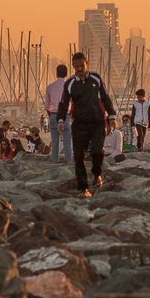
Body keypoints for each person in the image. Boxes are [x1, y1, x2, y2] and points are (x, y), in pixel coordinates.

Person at [56, 52, 116, 197]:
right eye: (76, 67)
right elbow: (64, 103)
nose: (79, 69)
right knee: (78, 157)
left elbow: (106, 98)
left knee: (96, 151)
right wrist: (60, 120)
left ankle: (97, 174)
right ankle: (84, 189)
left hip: (97, 122)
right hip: (79, 124)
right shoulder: (70, 83)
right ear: (73, 67)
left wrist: (112, 116)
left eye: (81, 66)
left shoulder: (96, 78)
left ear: (86, 64)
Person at [45, 64, 72, 162]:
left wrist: (51, 116)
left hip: (53, 115)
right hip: (66, 115)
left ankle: (55, 162)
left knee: (54, 141)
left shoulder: (50, 87)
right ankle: (69, 162)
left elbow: (47, 106)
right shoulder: (69, 86)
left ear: (56, 73)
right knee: (67, 142)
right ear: (66, 73)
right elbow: (72, 104)